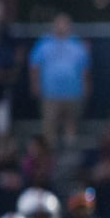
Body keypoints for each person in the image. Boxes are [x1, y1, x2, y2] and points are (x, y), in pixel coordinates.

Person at [29, 13, 91, 152]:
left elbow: (84, 68)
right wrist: (35, 84)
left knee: (71, 122)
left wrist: (86, 86)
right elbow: (34, 66)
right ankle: (49, 153)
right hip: (50, 92)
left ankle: (70, 150)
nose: (61, 27)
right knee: (50, 123)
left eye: (65, 23)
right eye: (59, 23)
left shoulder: (78, 44)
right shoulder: (44, 43)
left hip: (73, 92)